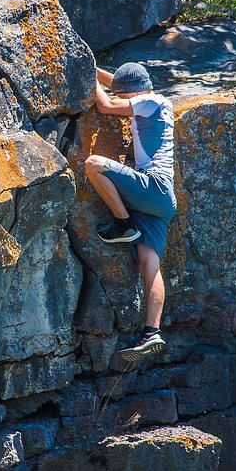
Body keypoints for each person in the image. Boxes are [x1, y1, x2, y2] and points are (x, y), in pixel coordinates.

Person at [83, 62, 176, 362]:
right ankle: (152, 331)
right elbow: (119, 85)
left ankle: (123, 224)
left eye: (124, 94)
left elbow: (107, 104)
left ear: (135, 92)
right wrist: (91, 66)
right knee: (149, 264)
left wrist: (87, 75)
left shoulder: (149, 101)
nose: (120, 97)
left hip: (152, 186)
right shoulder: (157, 101)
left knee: (93, 165)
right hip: (161, 200)